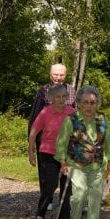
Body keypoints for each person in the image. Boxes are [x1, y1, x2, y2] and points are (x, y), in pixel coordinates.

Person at [54, 85, 110, 219]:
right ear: (79, 103)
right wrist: (62, 162)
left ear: (97, 104)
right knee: (79, 194)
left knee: (95, 198)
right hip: (76, 164)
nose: (89, 106)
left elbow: (108, 143)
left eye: (93, 103)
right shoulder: (70, 120)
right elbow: (61, 143)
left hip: (97, 166)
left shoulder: (102, 120)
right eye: (85, 102)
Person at [28, 63, 76, 211]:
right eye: (56, 74)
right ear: (51, 75)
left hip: (66, 138)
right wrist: (31, 143)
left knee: (66, 174)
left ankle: (65, 205)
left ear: (65, 75)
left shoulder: (72, 91)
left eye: (61, 75)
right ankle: (47, 199)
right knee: (46, 175)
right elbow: (35, 115)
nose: (58, 78)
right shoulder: (43, 91)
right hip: (46, 137)